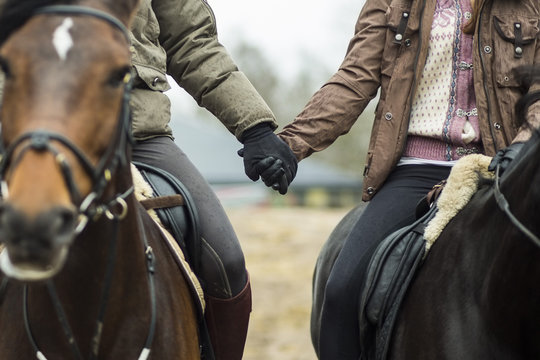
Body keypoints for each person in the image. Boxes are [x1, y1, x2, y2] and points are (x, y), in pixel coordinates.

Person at [242, 0, 540, 358]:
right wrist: (291, 145)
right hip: (417, 169)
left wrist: (523, 146)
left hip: (502, 168)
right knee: (341, 293)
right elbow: (354, 79)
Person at [0, 0, 297, 359]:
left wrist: (254, 126)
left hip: (136, 132)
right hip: (25, 135)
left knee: (226, 259)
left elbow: (192, 40)